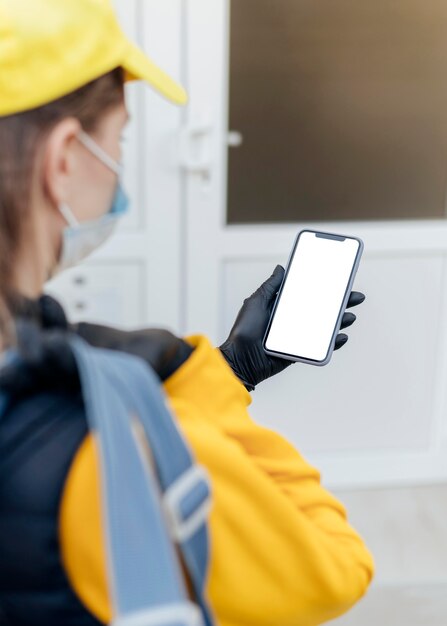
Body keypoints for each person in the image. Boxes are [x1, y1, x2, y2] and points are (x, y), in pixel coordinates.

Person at [0, 1, 374, 625]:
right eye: (119, 137)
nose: (119, 162)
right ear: (64, 159)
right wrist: (197, 380)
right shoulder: (105, 457)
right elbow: (335, 566)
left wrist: (238, 366)